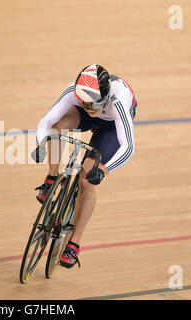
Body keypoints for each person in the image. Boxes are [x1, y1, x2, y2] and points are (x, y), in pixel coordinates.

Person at [35, 64, 137, 268]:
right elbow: (47, 121)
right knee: (58, 128)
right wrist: (41, 144)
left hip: (110, 128)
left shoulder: (118, 100)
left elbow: (128, 147)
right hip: (90, 116)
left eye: (91, 105)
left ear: (104, 98)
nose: (89, 108)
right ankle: (51, 180)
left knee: (86, 180)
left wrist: (103, 171)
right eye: (84, 104)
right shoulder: (75, 92)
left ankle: (74, 243)